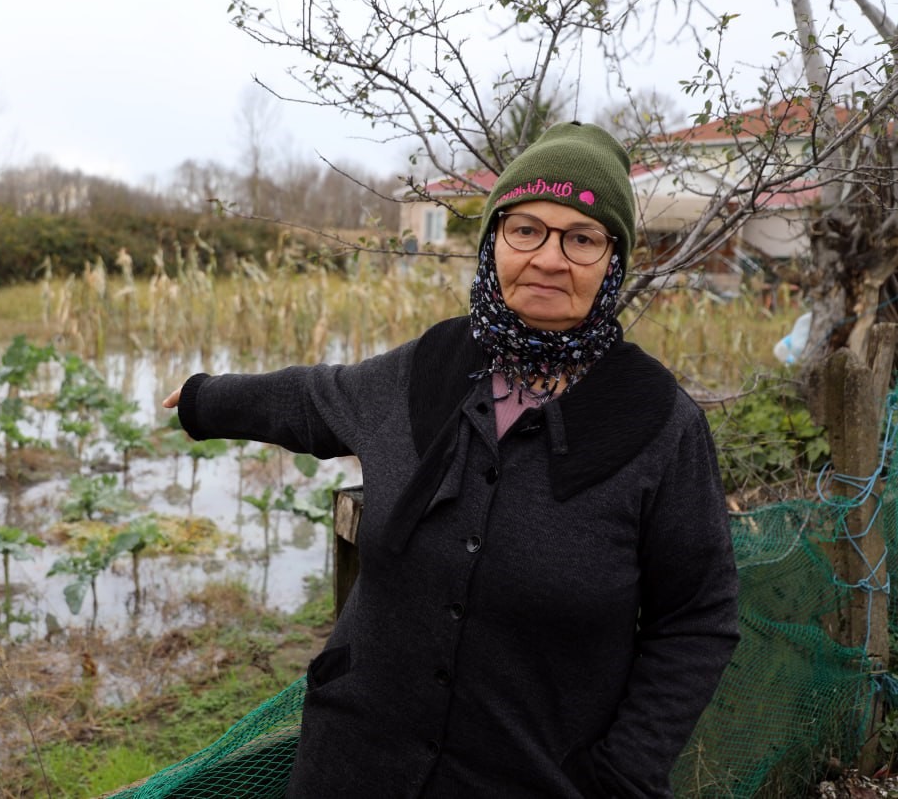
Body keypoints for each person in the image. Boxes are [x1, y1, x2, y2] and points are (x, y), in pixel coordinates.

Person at [162, 122, 739, 798]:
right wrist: (205, 400)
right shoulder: (430, 366)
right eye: (526, 229)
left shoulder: (659, 425)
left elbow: (697, 618)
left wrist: (625, 773)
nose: (549, 258)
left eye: (581, 238)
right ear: (494, 241)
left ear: (614, 259)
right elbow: (314, 401)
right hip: (350, 766)